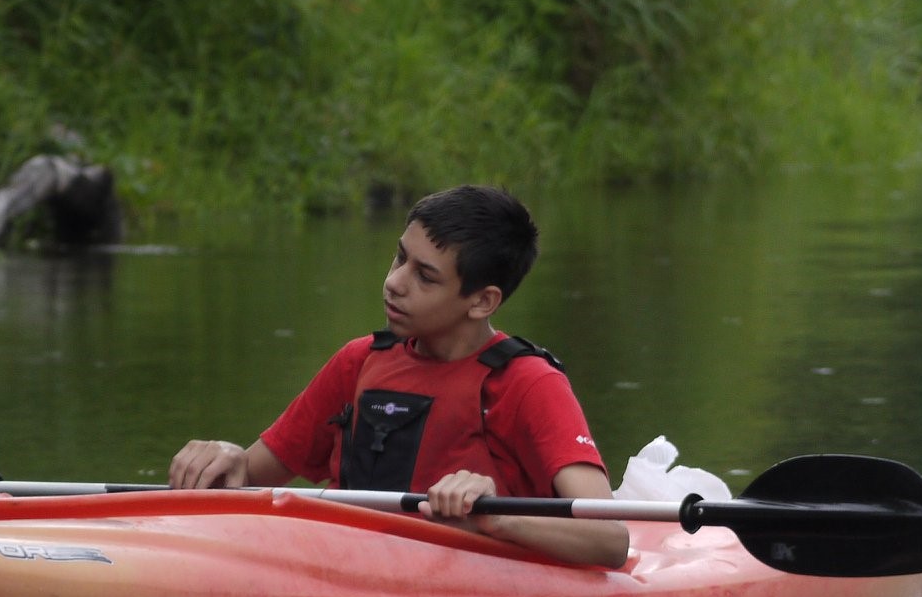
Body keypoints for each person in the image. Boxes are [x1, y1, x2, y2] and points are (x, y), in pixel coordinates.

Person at [170, 185, 630, 568]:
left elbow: (610, 540)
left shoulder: (529, 383)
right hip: (341, 568)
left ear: (482, 302)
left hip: (468, 580)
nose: (395, 282)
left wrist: (495, 518)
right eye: (399, 258)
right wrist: (223, 459)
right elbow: (250, 477)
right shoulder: (360, 361)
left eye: (425, 277)